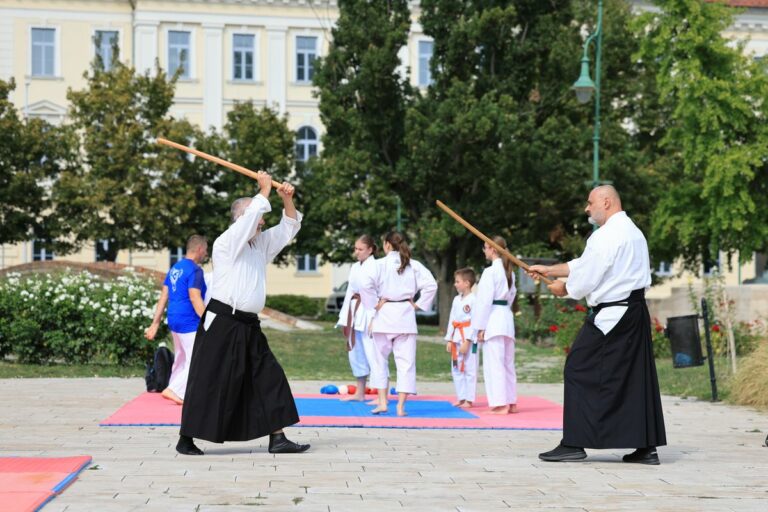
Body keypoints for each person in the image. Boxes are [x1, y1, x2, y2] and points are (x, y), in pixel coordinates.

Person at [529, 185, 666, 465]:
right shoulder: (632, 232)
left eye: (590, 202)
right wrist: (550, 269)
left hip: (613, 316)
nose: (586, 208)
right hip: (634, 312)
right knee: (634, 379)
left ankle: (574, 442)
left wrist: (564, 288)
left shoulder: (606, 236)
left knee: (578, 367)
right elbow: (587, 263)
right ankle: (646, 448)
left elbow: (587, 276)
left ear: (606, 201)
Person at [176, 171, 310, 456]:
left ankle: (278, 437)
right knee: (209, 379)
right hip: (222, 321)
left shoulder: (259, 245)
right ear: (240, 217)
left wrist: (286, 199)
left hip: (248, 324)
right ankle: (186, 437)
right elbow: (252, 218)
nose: (262, 221)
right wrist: (263, 190)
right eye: (257, 216)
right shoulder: (226, 243)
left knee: (269, 375)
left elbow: (288, 227)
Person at [360, 231, 437, 417]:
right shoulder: (413, 264)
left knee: (379, 361)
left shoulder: (378, 265)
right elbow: (432, 285)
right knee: (406, 363)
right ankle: (401, 407)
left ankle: (382, 402)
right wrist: (418, 305)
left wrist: (373, 305)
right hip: (405, 315)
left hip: (384, 313)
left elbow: (364, 285)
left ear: (387, 244)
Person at [144, 235, 208, 405]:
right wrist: (208, 321)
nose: (206, 253)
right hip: (189, 321)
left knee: (180, 358)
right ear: (200, 249)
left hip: (174, 318)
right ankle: (175, 391)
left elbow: (164, 296)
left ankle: (174, 387)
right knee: (197, 359)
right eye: (206, 250)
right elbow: (195, 298)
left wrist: (155, 323)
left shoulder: (174, 269)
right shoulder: (195, 270)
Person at [472, 237, 518, 414]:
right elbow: (511, 296)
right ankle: (511, 401)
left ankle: (500, 404)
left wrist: (480, 327)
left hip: (493, 319)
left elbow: (483, 302)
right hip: (506, 317)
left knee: (494, 364)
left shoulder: (490, 272)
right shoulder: (510, 272)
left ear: (492, 249)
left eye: (485, 248)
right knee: (507, 363)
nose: (484, 251)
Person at [335, 235, 379, 402]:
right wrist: (344, 319)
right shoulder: (354, 267)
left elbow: (381, 293)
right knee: (356, 353)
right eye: (355, 249)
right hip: (354, 313)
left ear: (370, 249)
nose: (357, 252)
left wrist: (376, 318)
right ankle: (360, 392)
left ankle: (381, 395)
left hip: (370, 314)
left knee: (374, 354)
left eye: (360, 249)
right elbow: (349, 294)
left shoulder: (377, 266)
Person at [444, 268, 478, 408]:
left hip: (468, 338)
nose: (455, 284)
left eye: (458, 282)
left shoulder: (474, 299)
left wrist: (468, 340)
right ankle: (461, 397)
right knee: (456, 368)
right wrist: (449, 339)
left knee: (470, 368)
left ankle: (469, 399)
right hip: (456, 336)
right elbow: (452, 319)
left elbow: (476, 321)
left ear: (467, 283)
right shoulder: (456, 299)